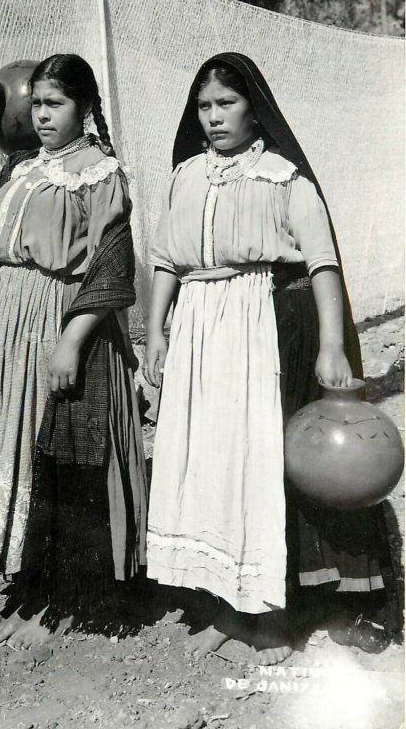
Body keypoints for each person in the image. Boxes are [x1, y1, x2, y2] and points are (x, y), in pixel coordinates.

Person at [144, 53, 399, 665]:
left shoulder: (287, 179)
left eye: (226, 104)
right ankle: (225, 609)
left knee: (258, 472)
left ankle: (272, 618)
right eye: (203, 107)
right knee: (212, 468)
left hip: (263, 328)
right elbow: (164, 261)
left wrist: (333, 346)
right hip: (200, 334)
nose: (212, 117)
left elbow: (323, 265)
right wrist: (155, 333)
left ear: (254, 108)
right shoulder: (185, 178)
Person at [0, 53, 147, 646]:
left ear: (84, 106)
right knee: (12, 440)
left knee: (50, 449)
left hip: (58, 320)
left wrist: (70, 343)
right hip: (11, 319)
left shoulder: (100, 171)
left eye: (55, 103)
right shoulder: (23, 167)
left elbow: (111, 273)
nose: (42, 115)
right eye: (35, 103)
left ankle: (58, 594)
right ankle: (26, 576)